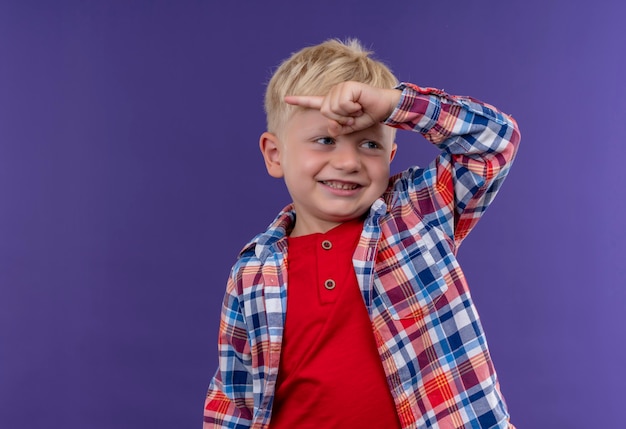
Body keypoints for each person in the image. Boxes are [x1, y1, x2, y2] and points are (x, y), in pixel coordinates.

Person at [203, 39, 520, 429]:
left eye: (369, 143)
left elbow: (494, 142)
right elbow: (234, 399)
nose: (349, 161)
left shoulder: (417, 212)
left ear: (390, 157)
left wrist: (394, 105)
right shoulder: (252, 270)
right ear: (275, 155)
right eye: (325, 140)